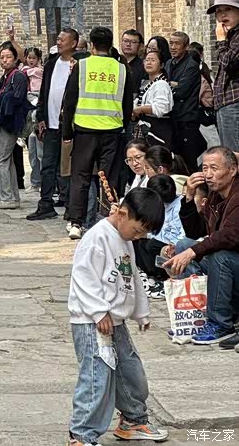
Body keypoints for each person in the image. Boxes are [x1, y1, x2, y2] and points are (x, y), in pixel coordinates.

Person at [66, 188, 168, 446]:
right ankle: (81, 435)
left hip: (115, 321)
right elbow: (83, 277)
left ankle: (133, 419)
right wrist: (98, 311)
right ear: (122, 214)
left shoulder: (125, 239)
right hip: (91, 321)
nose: (139, 237)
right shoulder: (97, 237)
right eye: (138, 231)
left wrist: (141, 312)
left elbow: (131, 276)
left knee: (130, 370)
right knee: (97, 375)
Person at [163, 146, 239, 347]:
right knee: (183, 245)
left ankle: (221, 324)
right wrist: (189, 197)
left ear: (232, 170)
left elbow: (230, 236)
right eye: (205, 168)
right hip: (229, 266)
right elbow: (195, 232)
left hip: (232, 263)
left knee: (220, 256)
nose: (208, 174)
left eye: (214, 168)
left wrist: (193, 252)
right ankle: (196, 316)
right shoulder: (215, 195)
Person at [62, 26, 134, 241]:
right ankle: (109, 221)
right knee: (109, 177)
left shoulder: (82, 66)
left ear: (92, 45)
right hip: (112, 130)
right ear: (110, 45)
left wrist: (67, 132)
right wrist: (123, 126)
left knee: (80, 177)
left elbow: (70, 100)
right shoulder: (122, 69)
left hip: (84, 130)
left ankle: (76, 222)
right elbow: (127, 104)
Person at [27, 28, 85, 222]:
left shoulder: (80, 64)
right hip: (50, 124)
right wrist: (41, 117)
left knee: (67, 168)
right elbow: (44, 92)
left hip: (70, 125)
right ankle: (45, 204)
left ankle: (69, 205)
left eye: (62, 40)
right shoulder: (51, 64)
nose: (58, 42)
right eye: (58, 39)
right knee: (48, 165)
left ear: (73, 43)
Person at [132, 174, 183, 299]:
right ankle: (146, 273)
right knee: (135, 239)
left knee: (152, 245)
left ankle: (159, 276)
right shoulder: (158, 205)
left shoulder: (179, 205)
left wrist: (150, 235)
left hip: (175, 241)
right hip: (159, 235)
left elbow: (176, 234)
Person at [0, 44, 28, 210]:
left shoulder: (18, 76)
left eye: (8, 57)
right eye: (2, 57)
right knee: (7, 160)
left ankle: (7, 197)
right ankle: (12, 195)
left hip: (9, 123)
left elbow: (18, 98)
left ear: (15, 59)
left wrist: (5, 99)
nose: (4, 60)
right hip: (1, 122)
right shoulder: (5, 76)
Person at [164, 29, 206, 172]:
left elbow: (181, 91)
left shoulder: (191, 65)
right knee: (175, 160)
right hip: (172, 118)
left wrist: (170, 85)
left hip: (186, 119)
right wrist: (172, 84)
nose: (173, 47)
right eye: (171, 43)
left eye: (177, 44)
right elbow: (164, 84)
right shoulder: (169, 63)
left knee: (188, 161)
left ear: (186, 46)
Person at [208, 0, 239, 151]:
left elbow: (229, 64)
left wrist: (221, 40)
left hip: (234, 103)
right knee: (228, 154)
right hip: (224, 104)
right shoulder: (230, 36)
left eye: (228, 9)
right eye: (218, 11)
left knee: (234, 156)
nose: (222, 15)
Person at [131, 49, 174, 149]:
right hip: (149, 128)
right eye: (147, 60)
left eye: (153, 60)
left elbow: (161, 108)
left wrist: (140, 109)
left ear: (161, 65)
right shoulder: (151, 83)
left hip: (157, 130)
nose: (149, 62)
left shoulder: (161, 84)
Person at [22, 46, 44, 189]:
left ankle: (43, 182)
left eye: (33, 58)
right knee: (32, 153)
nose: (31, 60)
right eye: (29, 58)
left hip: (38, 102)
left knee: (41, 153)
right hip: (30, 102)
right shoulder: (23, 71)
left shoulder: (41, 71)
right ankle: (35, 182)